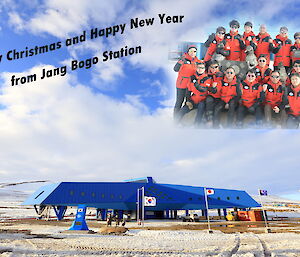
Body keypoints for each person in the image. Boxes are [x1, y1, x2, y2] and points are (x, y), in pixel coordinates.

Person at [177, 61, 213, 127]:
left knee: (201, 107)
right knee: (183, 110)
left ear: (204, 69)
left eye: (202, 68)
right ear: (196, 68)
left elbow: (203, 90)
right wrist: (188, 101)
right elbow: (188, 91)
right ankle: (175, 124)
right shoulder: (192, 77)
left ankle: (197, 125)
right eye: (199, 68)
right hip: (194, 99)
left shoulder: (207, 79)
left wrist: (196, 83)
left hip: (202, 99)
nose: (200, 69)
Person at [173, 45, 201, 120]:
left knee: (188, 102)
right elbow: (175, 69)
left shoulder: (197, 61)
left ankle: (183, 119)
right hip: (181, 84)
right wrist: (180, 62)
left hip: (190, 86)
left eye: (194, 51)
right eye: (191, 51)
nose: (192, 53)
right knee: (179, 101)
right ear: (188, 51)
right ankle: (175, 119)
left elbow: (202, 69)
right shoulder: (183, 60)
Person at [206, 60, 223, 127]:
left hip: (220, 96)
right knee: (208, 100)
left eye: (215, 67)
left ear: (218, 67)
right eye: (212, 67)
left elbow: (217, 88)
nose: (214, 69)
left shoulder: (221, 75)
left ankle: (216, 124)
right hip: (212, 95)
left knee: (217, 108)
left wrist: (213, 88)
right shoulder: (208, 75)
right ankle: (209, 120)